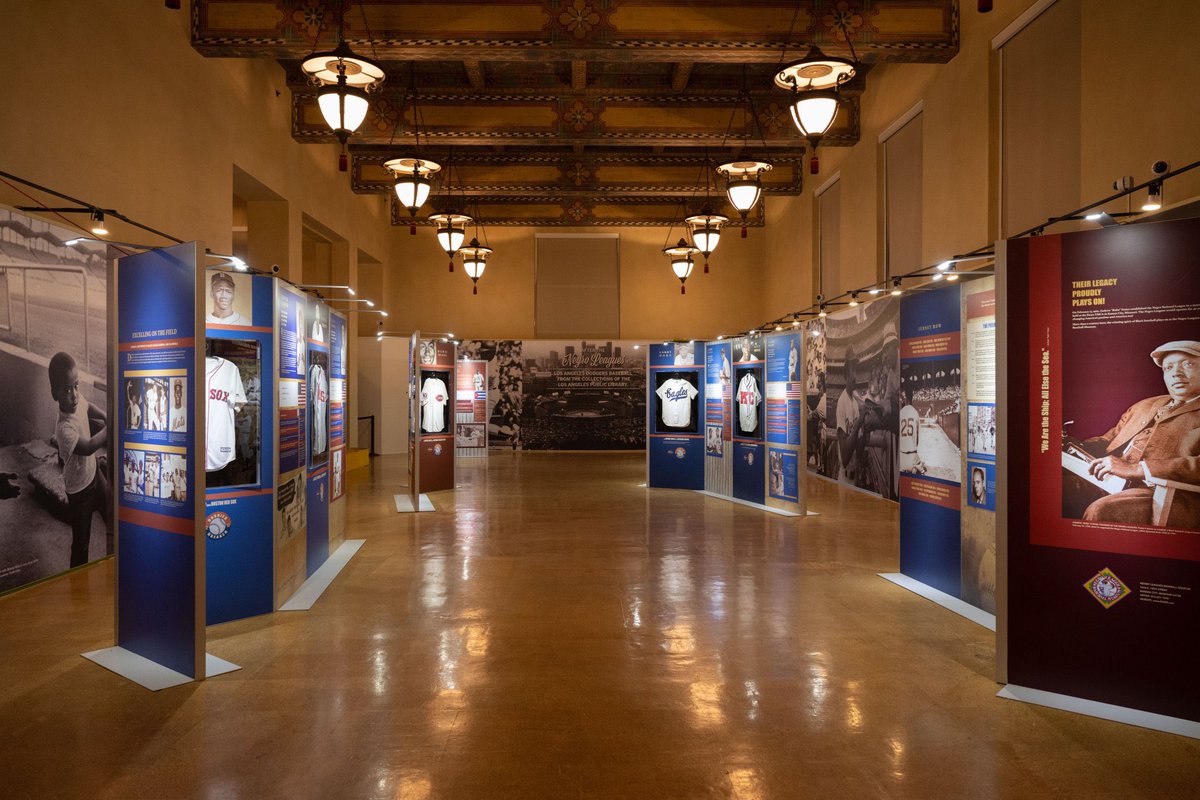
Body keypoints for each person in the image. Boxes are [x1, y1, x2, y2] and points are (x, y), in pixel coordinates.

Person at [1078, 340, 1200, 526]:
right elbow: (1108, 440)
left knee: (1101, 511)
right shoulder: (1145, 405)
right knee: (1056, 488)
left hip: (1164, 493)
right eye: (1168, 368)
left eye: (1188, 364)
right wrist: (1071, 445)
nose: (1176, 373)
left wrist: (1138, 469)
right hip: (1109, 480)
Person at [49, 352, 110, 568]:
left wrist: (105, 414)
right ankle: (78, 582)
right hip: (79, 492)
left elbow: (88, 405)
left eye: (76, 385)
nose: (74, 394)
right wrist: (108, 428)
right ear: (54, 394)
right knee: (82, 542)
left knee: (110, 512)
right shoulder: (63, 428)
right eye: (67, 389)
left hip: (94, 475)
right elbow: (89, 447)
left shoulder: (77, 399)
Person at [835, 346, 864, 484]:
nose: (855, 376)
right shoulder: (842, 402)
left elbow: (857, 446)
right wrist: (859, 422)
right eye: (852, 370)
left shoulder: (854, 401)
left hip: (855, 476)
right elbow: (845, 458)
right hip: (845, 478)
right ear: (845, 375)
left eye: (856, 370)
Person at [898, 387, 925, 475]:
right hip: (912, 459)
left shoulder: (900, 412)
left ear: (905, 399)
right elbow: (917, 440)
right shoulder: (915, 412)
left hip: (901, 458)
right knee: (922, 467)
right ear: (912, 398)